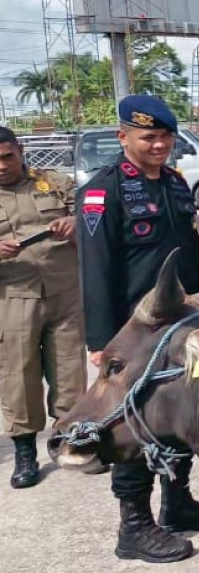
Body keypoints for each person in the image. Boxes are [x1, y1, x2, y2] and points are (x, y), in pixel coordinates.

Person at [76, 95, 199, 564]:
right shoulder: (104, 191)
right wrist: (103, 344)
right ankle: (134, 525)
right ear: (123, 136)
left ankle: (178, 502)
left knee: (178, 415)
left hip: (179, 328)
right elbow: (96, 269)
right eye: (149, 136)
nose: (160, 144)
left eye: (165, 135)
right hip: (133, 335)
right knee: (133, 424)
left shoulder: (173, 183)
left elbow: (191, 251)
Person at [0, 127, 85, 489]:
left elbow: (94, 221)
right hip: (13, 297)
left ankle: (70, 438)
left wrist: (75, 224)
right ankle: (24, 453)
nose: (2, 165)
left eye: (7, 156)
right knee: (18, 374)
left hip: (65, 292)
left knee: (69, 368)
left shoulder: (56, 182)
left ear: (20, 151)